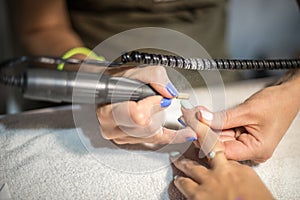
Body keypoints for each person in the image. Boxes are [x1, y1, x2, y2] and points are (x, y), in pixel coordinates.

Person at [14, 0, 300, 198]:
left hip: (220, 89)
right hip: (79, 95)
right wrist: (96, 76)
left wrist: (290, 91)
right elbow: (40, 27)